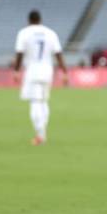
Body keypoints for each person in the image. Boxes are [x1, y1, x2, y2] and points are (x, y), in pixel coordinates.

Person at [13, 10, 68, 145]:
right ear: (40, 20)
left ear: (29, 20)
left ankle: (40, 134)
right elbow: (58, 54)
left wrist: (16, 71)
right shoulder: (50, 33)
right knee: (43, 101)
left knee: (35, 102)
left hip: (32, 71)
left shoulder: (24, 33)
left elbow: (19, 53)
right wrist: (64, 72)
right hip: (47, 71)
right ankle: (42, 132)